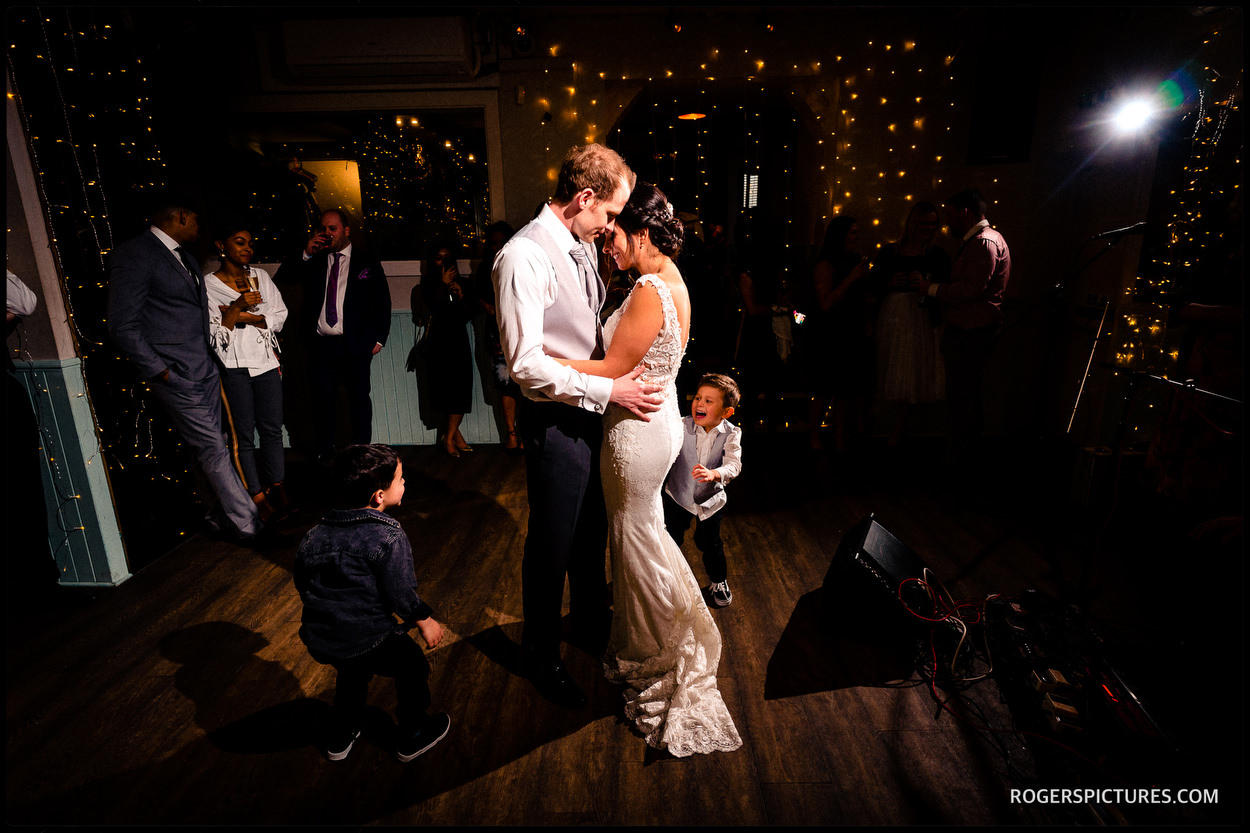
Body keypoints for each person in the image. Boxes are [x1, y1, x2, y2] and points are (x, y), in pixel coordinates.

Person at [553, 182, 742, 757]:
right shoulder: (677, 283)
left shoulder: (646, 290)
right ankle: (658, 631)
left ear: (639, 232)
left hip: (635, 431)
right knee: (642, 534)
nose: (607, 244)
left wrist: (543, 361)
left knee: (635, 536)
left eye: (613, 234)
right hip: (652, 423)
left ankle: (662, 643)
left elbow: (611, 367)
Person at [492, 143, 660, 710]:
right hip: (556, 419)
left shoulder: (581, 243)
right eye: (610, 214)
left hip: (592, 412)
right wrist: (608, 387)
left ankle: (590, 625)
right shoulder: (524, 257)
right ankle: (539, 655)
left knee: (591, 535)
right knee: (552, 545)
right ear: (584, 198)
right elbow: (526, 364)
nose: (613, 227)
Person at [106, 195, 261, 542]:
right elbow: (121, 325)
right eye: (195, 221)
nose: (199, 228)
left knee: (203, 446)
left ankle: (216, 516)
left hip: (202, 366)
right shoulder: (135, 254)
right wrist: (160, 371)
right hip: (174, 371)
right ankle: (250, 524)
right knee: (212, 446)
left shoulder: (186, 258)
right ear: (181, 216)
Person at [293, 444, 450, 762]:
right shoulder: (388, 537)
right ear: (379, 496)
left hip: (323, 637)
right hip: (368, 636)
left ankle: (341, 735)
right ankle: (414, 732)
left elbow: (303, 582)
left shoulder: (314, 534)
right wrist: (424, 620)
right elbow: (401, 593)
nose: (405, 484)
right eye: (401, 479)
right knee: (412, 666)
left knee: (351, 673)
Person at [275, 208, 391, 463]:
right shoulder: (315, 260)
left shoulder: (366, 261)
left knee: (359, 399)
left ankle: (362, 452)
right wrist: (306, 252)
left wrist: (379, 338)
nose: (327, 234)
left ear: (346, 230)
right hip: (321, 345)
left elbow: (382, 301)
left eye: (332, 229)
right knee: (322, 400)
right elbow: (284, 277)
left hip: (355, 344)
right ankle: (324, 450)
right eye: (323, 229)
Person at [911, 189, 1010, 464]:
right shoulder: (986, 240)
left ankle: (956, 465)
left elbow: (970, 289)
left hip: (971, 333)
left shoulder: (983, 243)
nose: (947, 222)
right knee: (965, 400)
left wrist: (929, 288)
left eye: (951, 215)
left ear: (965, 212)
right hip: (972, 332)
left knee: (961, 403)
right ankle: (962, 462)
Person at [207, 224, 290, 519]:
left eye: (250, 244)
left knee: (271, 429)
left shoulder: (260, 277)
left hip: (266, 363)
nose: (247, 248)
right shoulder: (208, 285)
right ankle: (254, 493)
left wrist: (242, 316)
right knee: (242, 434)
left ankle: (277, 485)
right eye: (239, 242)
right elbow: (216, 335)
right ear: (221, 245)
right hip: (234, 367)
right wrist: (236, 309)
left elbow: (279, 315)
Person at [662, 372, 743, 609]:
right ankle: (665, 579)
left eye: (709, 401)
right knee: (670, 537)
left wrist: (715, 473)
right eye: (698, 398)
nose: (700, 404)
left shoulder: (732, 433)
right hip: (678, 496)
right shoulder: (680, 425)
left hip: (710, 501)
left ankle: (718, 581)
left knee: (711, 544)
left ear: (726, 412)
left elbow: (734, 464)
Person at [875, 202, 951, 447]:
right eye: (924, 223)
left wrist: (926, 283)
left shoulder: (937, 255)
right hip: (894, 315)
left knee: (912, 369)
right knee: (890, 364)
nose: (928, 228)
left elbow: (947, 288)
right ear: (912, 224)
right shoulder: (891, 252)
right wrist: (890, 282)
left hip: (922, 316)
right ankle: (877, 423)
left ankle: (898, 429)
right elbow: (872, 283)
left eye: (933, 224)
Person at [802, 215, 877, 453]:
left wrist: (867, 321)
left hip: (851, 330)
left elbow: (861, 296)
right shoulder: (825, 264)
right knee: (824, 389)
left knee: (846, 389)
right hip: (829, 332)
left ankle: (839, 436)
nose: (857, 237)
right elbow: (825, 303)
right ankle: (814, 434)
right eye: (853, 232)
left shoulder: (855, 260)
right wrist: (850, 279)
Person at [418, 242, 476, 457]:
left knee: (460, 391)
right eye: (438, 257)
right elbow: (432, 308)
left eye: (447, 257)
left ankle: (450, 436)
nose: (443, 262)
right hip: (438, 343)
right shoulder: (428, 283)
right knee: (444, 392)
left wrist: (460, 296)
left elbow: (469, 314)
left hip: (458, 341)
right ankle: (452, 438)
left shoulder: (462, 283)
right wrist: (442, 286)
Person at [473, 221, 522, 452]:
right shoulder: (485, 269)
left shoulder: (521, 264)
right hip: (497, 335)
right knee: (506, 386)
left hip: (523, 332)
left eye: (502, 242)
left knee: (526, 385)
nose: (498, 247)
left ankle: (524, 433)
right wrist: (492, 307)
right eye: (493, 244)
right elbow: (481, 300)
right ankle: (511, 434)